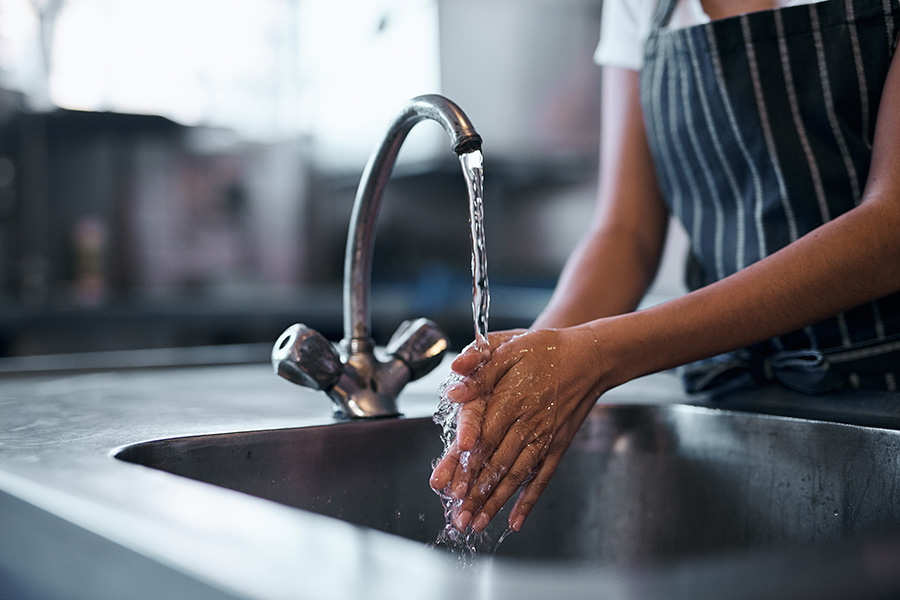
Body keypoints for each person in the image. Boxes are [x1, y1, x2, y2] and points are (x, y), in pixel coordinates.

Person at [430, 0, 900, 536]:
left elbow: (890, 228)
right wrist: (533, 370)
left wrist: (602, 352)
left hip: (883, 395)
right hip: (732, 401)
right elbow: (625, 234)